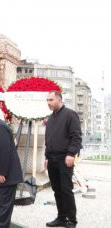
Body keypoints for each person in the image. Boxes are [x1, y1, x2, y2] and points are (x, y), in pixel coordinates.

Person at [45, 91, 81, 228]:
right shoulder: (51, 118)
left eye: (51, 100)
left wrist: (71, 154)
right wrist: (47, 157)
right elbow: (49, 139)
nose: (48, 102)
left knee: (66, 190)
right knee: (57, 190)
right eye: (47, 100)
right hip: (52, 159)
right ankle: (61, 218)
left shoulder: (70, 115)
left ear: (59, 100)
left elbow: (76, 137)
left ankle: (71, 220)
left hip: (65, 158)